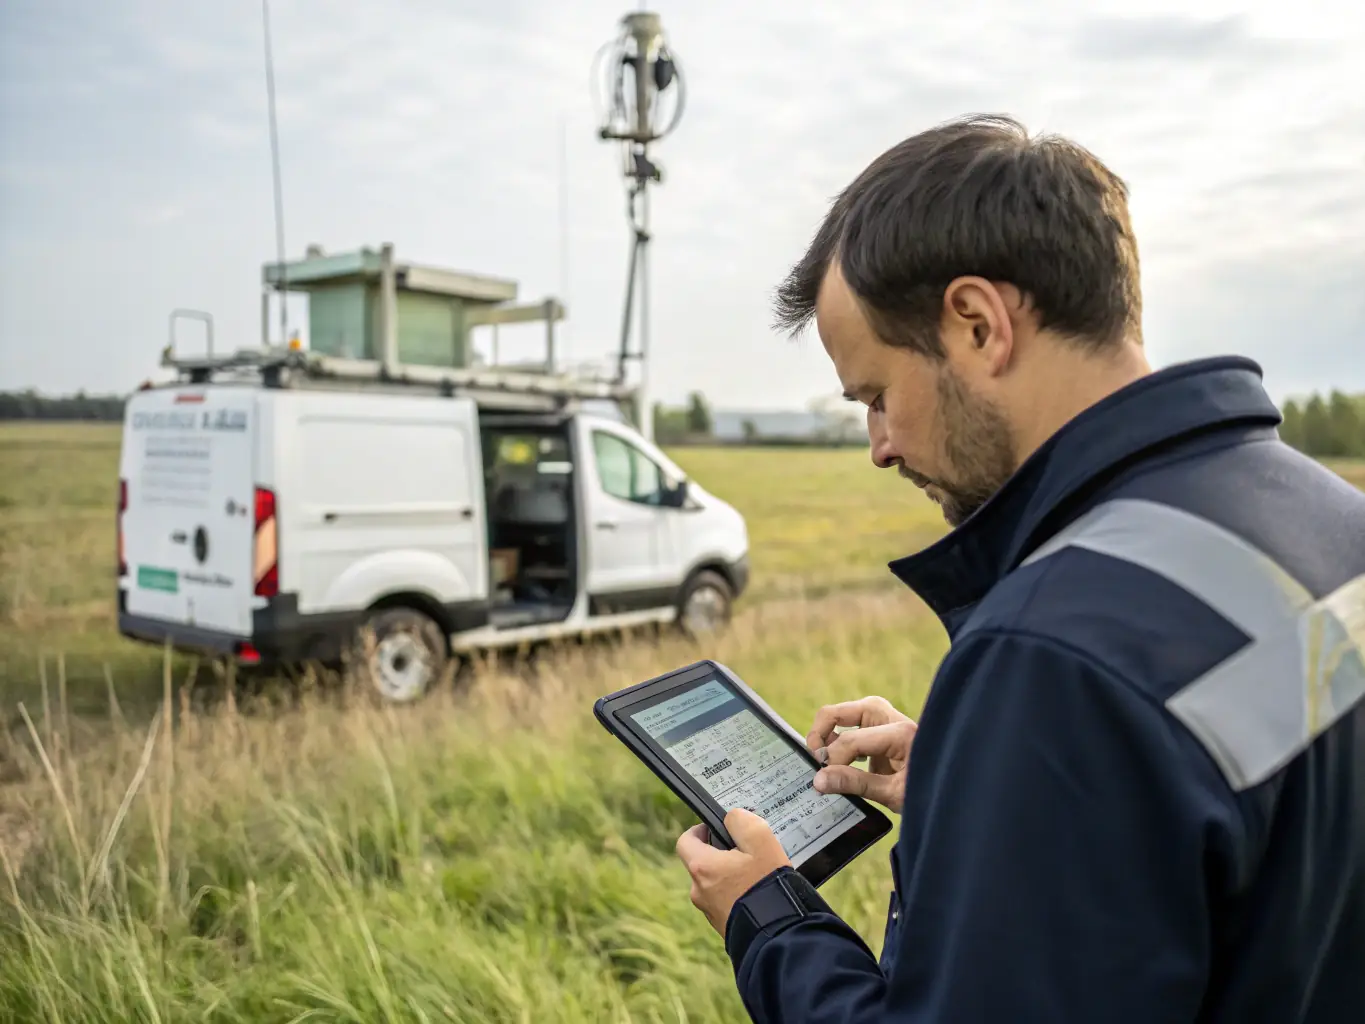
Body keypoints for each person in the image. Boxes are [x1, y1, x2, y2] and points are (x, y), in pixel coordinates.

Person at [674, 113, 1365, 1023]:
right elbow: (1258, 798)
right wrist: (990, 788)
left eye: (878, 395)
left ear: (976, 324)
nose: (878, 447)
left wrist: (769, 921)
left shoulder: (1048, 652)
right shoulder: (1332, 519)